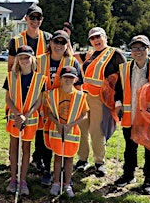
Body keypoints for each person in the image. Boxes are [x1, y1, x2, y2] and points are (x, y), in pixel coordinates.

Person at [113, 35, 150, 195]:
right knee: (130, 148)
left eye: (142, 48)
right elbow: (118, 89)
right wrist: (118, 104)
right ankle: (128, 175)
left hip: (149, 117)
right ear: (130, 50)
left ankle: (149, 181)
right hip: (130, 115)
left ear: (149, 49)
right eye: (134, 48)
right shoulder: (124, 68)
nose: (138, 52)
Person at [73, 27, 126, 177]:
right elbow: (72, 54)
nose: (96, 40)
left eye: (98, 37)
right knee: (82, 128)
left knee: (97, 130)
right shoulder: (90, 54)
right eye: (92, 38)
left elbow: (123, 79)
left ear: (105, 37)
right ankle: (82, 159)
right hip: (84, 96)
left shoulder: (115, 54)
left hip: (101, 98)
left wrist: (119, 101)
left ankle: (99, 162)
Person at [6, 3, 52, 173]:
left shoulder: (48, 38)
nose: (35, 20)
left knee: (39, 124)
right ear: (26, 19)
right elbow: (10, 66)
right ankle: (15, 163)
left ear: (42, 20)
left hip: (39, 88)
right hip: (20, 88)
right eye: (31, 17)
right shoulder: (16, 40)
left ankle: (37, 158)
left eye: (38, 17)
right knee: (19, 124)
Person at [36, 30, 84, 185]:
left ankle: (61, 169)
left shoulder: (72, 62)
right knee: (43, 139)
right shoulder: (39, 60)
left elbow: (79, 87)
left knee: (60, 138)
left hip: (64, 108)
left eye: (63, 42)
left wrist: (76, 111)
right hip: (42, 106)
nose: (59, 45)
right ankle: (46, 169)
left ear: (67, 45)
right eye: (56, 41)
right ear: (50, 42)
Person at [3, 45, 47, 196]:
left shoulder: (40, 79)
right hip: (14, 119)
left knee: (26, 148)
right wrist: (16, 114)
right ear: (17, 59)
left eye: (26, 57)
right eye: (21, 57)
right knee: (13, 148)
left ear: (32, 58)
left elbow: (38, 102)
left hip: (30, 120)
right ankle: (13, 179)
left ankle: (23, 180)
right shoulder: (11, 76)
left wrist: (25, 116)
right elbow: (8, 99)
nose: (24, 60)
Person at [45, 66, 89, 197]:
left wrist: (71, 125)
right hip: (57, 130)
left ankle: (67, 184)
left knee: (69, 158)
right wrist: (57, 123)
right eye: (66, 77)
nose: (68, 80)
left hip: (72, 132)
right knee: (57, 157)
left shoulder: (80, 96)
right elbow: (48, 112)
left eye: (71, 77)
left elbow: (84, 114)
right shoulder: (53, 94)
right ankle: (56, 182)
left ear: (76, 79)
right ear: (60, 78)